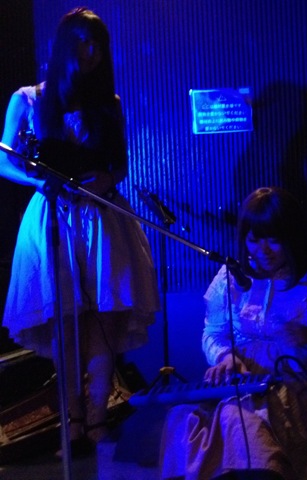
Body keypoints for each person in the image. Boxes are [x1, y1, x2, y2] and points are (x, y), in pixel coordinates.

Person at [0, 7, 159, 454]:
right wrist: (40, 181)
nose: (91, 52)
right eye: (84, 42)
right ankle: (70, 420)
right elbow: (4, 160)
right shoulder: (28, 99)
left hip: (102, 217)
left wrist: (105, 180)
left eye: (98, 45)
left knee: (104, 318)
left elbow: (119, 165)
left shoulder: (109, 103)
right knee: (65, 319)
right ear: (65, 45)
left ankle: (97, 416)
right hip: (54, 215)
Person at [160, 186, 307, 480]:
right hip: (240, 380)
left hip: (296, 384)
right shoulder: (231, 277)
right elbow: (213, 333)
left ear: (292, 237)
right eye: (254, 239)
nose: (262, 250)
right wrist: (225, 357)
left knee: (239, 421)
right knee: (183, 421)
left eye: (273, 240)